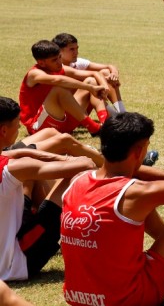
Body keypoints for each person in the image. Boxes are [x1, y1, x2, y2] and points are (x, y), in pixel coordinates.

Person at [61, 112, 164, 306]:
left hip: (77, 297)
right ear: (139, 152)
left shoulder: (77, 181)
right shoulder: (137, 193)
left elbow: (125, 173)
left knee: (130, 215)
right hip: (128, 299)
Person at [1, 97, 97, 282]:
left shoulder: (10, 163)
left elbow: (20, 153)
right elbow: (85, 164)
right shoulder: (11, 168)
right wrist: (70, 159)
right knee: (75, 176)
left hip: (9, 240)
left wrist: (59, 157)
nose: (20, 129)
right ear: (4, 130)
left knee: (30, 179)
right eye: (17, 125)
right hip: (17, 263)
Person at [18, 40, 105, 136]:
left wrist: (104, 86)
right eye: (54, 60)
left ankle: (106, 124)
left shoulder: (59, 68)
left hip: (63, 122)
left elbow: (93, 73)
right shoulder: (34, 74)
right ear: (41, 63)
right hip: (38, 127)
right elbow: (58, 80)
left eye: (60, 57)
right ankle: (94, 128)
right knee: (58, 90)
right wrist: (89, 88)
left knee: (91, 81)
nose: (59, 62)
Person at [53, 33, 126, 114]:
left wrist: (114, 75)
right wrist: (104, 85)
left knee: (105, 73)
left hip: (81, 106)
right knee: (91, 81)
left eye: (77, 48)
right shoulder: (58, 68)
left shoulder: (77, 62)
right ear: (59, 51)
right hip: (67, 112)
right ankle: (118, 117)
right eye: (72, 49)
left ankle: (122, 112)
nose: (76, 52)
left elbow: (109, 66)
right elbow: (93, 75)